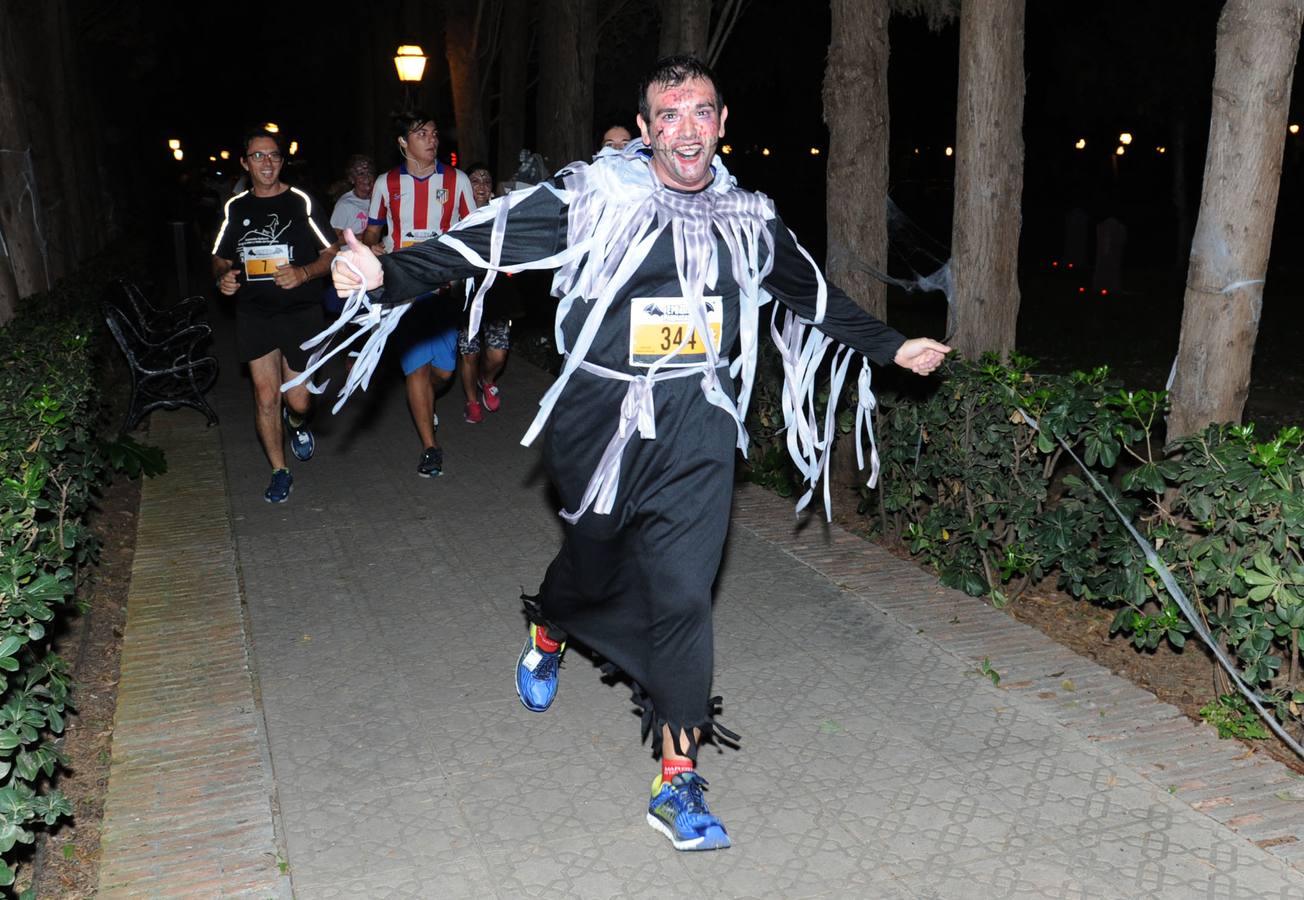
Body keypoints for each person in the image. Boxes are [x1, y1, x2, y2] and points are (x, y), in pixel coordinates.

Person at [325, 56, 948, 851]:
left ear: (721, 124)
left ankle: (676, 781)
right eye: (671, 116)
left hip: (698, 425)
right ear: (649, 130)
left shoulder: (748, 217)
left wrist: (893, 348)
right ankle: (552, 625)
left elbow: (809, 292)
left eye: (702, 113)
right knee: (594, 560)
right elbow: (482, 238)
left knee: (684, 595)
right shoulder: (599, 196)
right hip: (601, 419)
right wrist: (385, 272)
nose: (687, 130)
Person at [213, 129, 336, 503]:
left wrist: (304, 273)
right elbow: (220, 255)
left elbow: (332, 253)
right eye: (258, 156)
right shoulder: (235, 207)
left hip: (301, 311)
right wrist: (223, 277)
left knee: (298, 399)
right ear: (245, 163)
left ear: (282, 161)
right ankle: (279, 471)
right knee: (266, 397)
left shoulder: (301, 201)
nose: (267, 163)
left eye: (274, 156)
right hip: (254, 313)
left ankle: (297, 422)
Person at [362, 111, 474, 477]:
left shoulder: (457, 181)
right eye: (422, 133)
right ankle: (430, 447)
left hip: (444, 288)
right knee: (416, 369)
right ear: (403, 143)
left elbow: (472, 231)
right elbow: (372, 235)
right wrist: (371, 250)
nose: (432, 139)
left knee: (442, 372)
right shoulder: (385, 183)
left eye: (434, 132)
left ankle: (427, 403)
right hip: (405, 289)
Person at [457, 162, 512, 424]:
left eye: (486, 180)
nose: (481, 185)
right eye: (475, 180)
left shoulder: (501, 212)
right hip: (465, 294)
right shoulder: (455, 215)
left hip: (497, 293)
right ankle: (471, 401)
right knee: (470, 353)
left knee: (498, 354)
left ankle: (486, 380)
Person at [330, 154, 376, 243]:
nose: (367, 178)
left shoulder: (379, 199)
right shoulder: (345, 204)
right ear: (352, 179)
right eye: (361, 174)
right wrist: (364, 237)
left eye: (369, 172)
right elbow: (332, 240)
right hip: (350, 255)